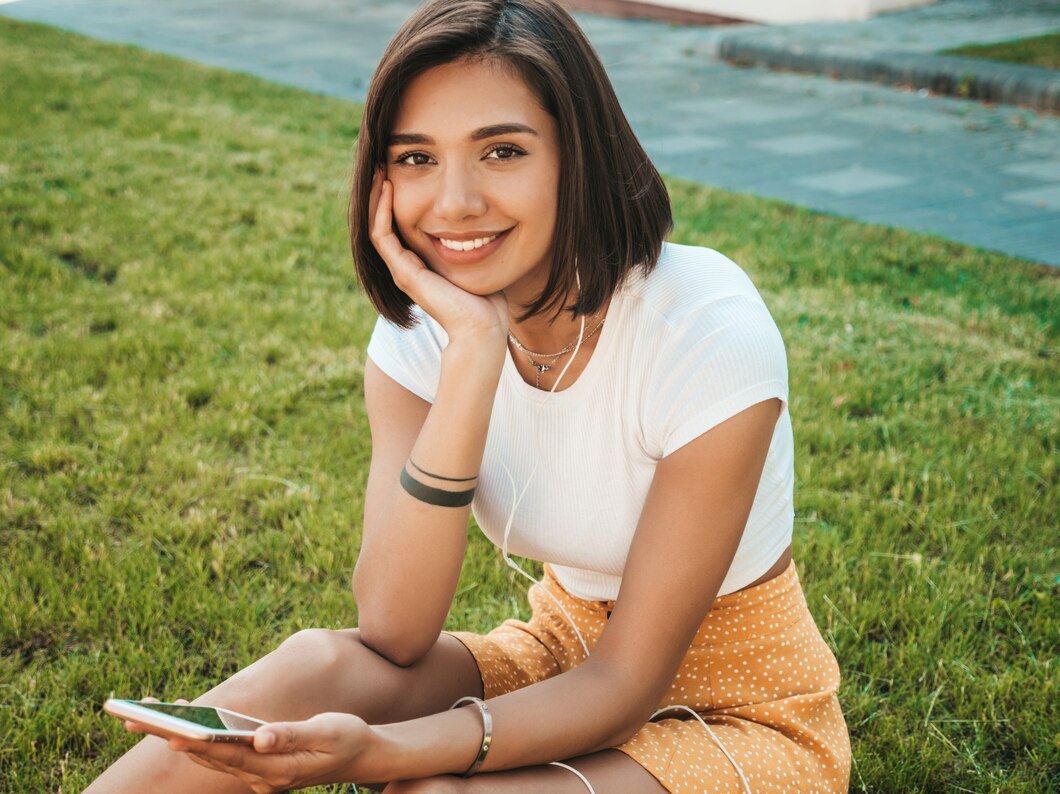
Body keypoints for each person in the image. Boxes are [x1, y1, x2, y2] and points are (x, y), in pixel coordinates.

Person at [87, 0, 851, 791]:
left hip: (741, 710)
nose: (454, 203)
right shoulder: (425, 338)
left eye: (501, 151)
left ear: (577, 154)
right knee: (315, 664)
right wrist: (473, 355)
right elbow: (394, 630)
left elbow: (626, 687)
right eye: (416, 159)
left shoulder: (705, 329)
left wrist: (386, 752)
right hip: (561, 655)